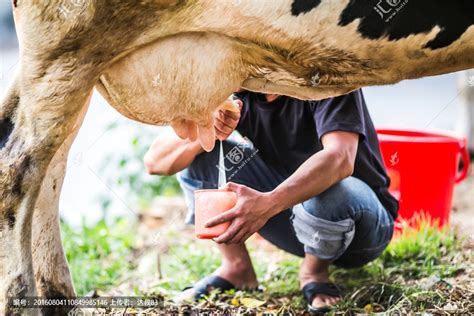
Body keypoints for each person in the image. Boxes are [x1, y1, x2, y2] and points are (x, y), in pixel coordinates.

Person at [144, 90, 398, 313]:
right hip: (298, 223)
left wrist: (268, 203)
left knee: (335, 190)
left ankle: (313, 271)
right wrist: (208, 130)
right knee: (200, 161)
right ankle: (237, 268)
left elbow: (340, 158)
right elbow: (155, 162)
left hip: (362, 229)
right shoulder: (243, 95)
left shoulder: (327, 76)